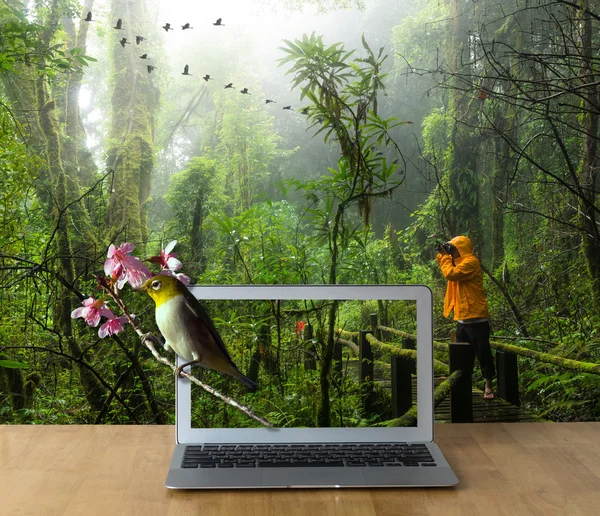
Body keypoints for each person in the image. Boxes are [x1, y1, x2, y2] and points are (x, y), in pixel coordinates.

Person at [435, 235, 496, 399]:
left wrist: (446, 256)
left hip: (477, 318)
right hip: (462, 318)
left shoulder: (471, 262)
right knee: (462, 356)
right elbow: (446, 265)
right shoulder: (458, 262)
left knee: (483, 354)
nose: (451, 252)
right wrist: (444, 253)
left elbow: (451, 273)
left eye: (453, 248)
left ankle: (488, 385)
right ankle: (462, 385)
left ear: (461, 249)